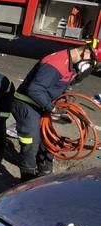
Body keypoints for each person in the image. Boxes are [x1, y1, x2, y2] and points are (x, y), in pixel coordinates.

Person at [12, 44, 98, 181]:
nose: (90, 67)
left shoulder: (72, 63)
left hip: (41, 105)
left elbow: (63, 84)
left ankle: (45, 173)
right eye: (91, 63)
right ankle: (27, 181)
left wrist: (64, 98)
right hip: (26, 104)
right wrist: (53, 109)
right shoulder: (56, 63)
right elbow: (34, 90)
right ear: (85, 52)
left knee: (47, 140)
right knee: (31, 143)